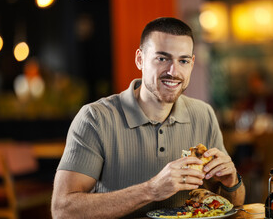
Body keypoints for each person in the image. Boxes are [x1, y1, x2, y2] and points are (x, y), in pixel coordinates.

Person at [51, 17, 245, 218]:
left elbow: (232, 206)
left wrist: (231, 182)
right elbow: (62, 210)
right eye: (162, 58)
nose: (173, 71)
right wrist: (151, 190)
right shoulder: (95, 118)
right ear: (140, 59)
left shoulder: (203, 114)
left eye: (183, 61)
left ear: (192, 63)